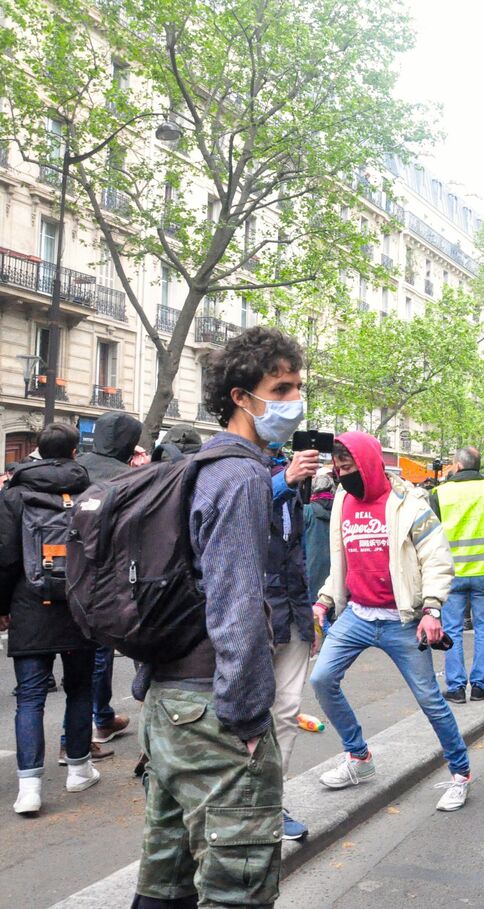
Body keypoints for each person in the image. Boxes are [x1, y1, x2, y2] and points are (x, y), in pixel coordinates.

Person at [133, 325, 301, 908]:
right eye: (280, 389)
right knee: (238, 884)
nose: (293, 401)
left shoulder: (199, 466)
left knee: (166, 878)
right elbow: (236, 604)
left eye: (297, 387)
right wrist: (249, 717)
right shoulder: (241, 476)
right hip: (212, 707)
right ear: (239, 395)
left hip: (170, 701)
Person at [309, 433, 472, 812]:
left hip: (402, 620)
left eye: (347, 467)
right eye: (337, 467)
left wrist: (432, 610)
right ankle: (359, 758)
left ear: (367, 463)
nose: (340, 473)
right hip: (357, 615)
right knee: (321, 679)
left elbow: (436, 559)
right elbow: (341, 561)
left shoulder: (410, 505)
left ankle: (460, 774)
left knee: (430, 700)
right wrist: (324, 601)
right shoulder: (342, 502)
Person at [0, 423, 100, 815]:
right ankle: (78, 769)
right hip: (79, 603)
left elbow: (6, 557)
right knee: (79, 689)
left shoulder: (14, 494)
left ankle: (29, 787)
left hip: (29, 602)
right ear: (75, 451)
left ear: (38, 451)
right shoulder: (89, 492)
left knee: (30, 696)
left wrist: (3, 607)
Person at [75, 410, 141, 749]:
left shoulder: (74, 468)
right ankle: (98, 720)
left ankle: (84, 729)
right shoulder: (126, 478)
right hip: (102, 578)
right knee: (99, 653)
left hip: (57, 574)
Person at [266, 442, 319, 841]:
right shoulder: (228, 466)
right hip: (252, 616)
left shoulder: (293, 478)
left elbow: (296, 554)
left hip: (292, 611)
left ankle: (272, 804)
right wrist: (282, 480)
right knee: (245, 715)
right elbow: (237, 507)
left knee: (286, 713)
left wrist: (308, 617)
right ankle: (244, 805)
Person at [429, 447, 484, 703]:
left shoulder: (440, 493)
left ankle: (456, 687)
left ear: (457, 466)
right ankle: (481, 685)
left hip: (452, 572)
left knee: (452, 629)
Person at [303, 470, 337, 615]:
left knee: (315, 613)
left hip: (312, 569)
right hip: (335, 570)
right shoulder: (339, 510)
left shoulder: (307, 511)